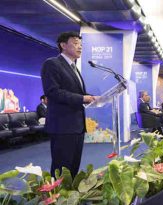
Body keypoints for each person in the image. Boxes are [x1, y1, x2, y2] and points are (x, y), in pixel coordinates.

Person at [41, 31, 95, 178]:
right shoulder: (52, 64)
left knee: (73, 166)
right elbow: (53, 92)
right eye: (76, 43)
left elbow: (74, 91)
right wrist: (83, 98)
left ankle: (70, 197)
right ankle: (58, 199)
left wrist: (92, 98)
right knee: (61, 167)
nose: (80, 47)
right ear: (63, 45)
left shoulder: (74, 67)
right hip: (62, 126)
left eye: (81, 44)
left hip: (77, 126)